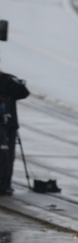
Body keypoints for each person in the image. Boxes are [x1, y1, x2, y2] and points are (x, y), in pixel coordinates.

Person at [0, 67, 29, 196]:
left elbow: (23, 93)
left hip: (9, 125)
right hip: (7, 125)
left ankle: (5, 183)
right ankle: (5, 183)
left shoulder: (7, 81)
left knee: (8, 156)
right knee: (6, 155)